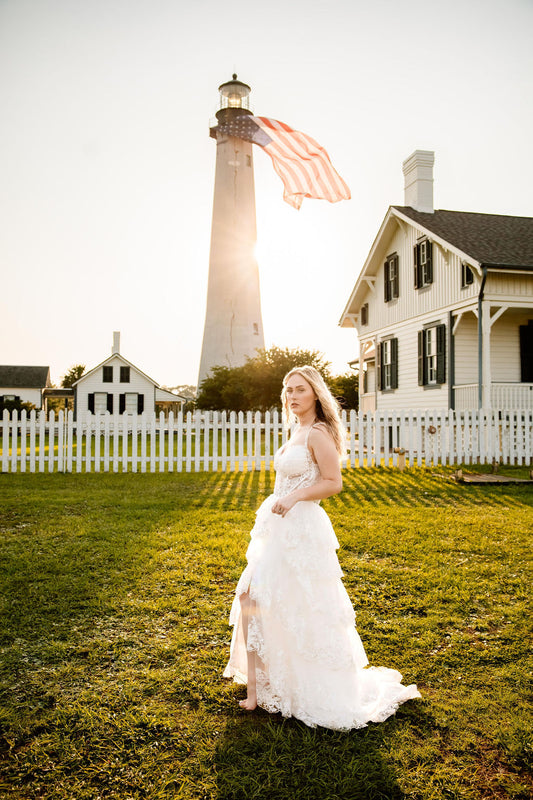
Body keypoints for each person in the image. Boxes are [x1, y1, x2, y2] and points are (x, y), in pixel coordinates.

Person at [223, 366, 421, 730]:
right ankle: (257, 689)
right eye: (288, 390)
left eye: (299, 389)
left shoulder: (318, 432)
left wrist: (297, 496)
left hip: (302, 529)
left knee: (296, 603)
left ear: (315, 394)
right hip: (277, 529)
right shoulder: (296, 429)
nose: (292, 396)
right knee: (251, 598)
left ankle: (300, 685)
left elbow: (333, 483)